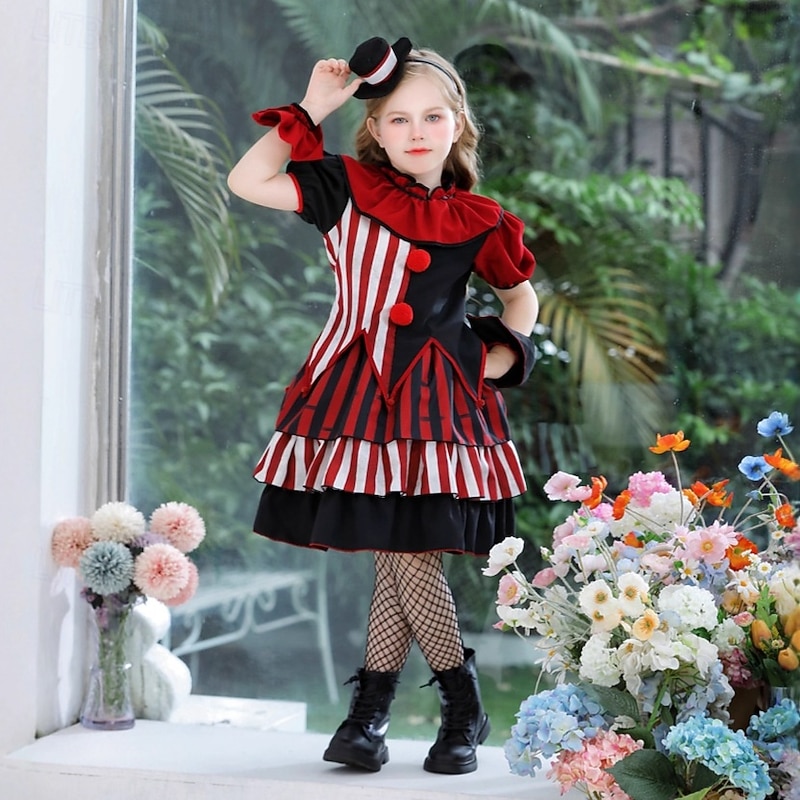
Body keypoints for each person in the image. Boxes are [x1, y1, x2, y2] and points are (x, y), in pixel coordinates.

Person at [227, 36, 539, 776]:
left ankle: (371, 718)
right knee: (401, 549)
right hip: (355, 392)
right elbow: (247, 179)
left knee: (403, 550)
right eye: (399, 118)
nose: (417, 131)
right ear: (376, 129)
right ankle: (452, 706)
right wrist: (314, 107)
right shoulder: (344, 187)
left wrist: (499, 360)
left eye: (433, 117)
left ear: (458, 125)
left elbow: (520, 298)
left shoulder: (481, 218)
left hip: (439, 404)